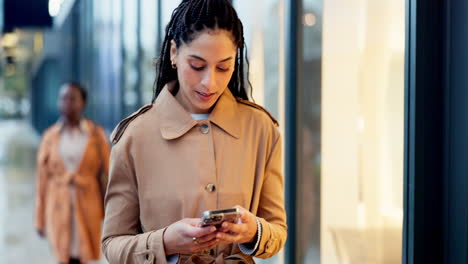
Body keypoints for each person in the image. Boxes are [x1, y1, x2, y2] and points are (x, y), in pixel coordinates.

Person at [101, 0, 287, 263]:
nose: (209, 82)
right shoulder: (135, 136)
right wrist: (165, 242)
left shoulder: (261, 129)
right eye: (197, 65)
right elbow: (112, 243)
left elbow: (277, 231)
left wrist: (253, 231)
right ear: (174, 53)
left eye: (223, 67)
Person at [35, 82, 111, 264]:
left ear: (83, 102)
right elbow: (42, 179)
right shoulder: (50, 136)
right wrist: (39, 219)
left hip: (88, 203)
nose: (66, 103)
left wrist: (112, 213)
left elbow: (108, 173)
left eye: (72, 98)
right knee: (63, 252)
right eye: (63, 98)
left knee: (82, 253)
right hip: (58, 204)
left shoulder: (95, 134)